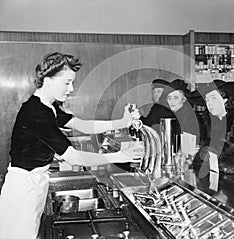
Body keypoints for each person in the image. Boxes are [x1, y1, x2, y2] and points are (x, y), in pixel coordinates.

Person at [0, 52, 142, 239]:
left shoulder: (48, 105)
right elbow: (73, 157)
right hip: (24, 188)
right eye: (67, 82)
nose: (71, 88)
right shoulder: (37, 112)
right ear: (48, 80)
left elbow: (82, 125)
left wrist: (121, 122)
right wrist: (119, 156)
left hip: (35, 183)